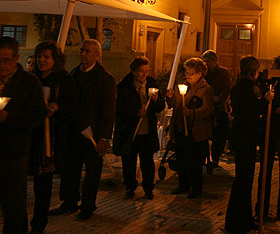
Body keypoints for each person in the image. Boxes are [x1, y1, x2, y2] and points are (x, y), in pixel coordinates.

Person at [51, 39, 116, 221]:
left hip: (93, 134)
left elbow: (108, 110)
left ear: (97, 55)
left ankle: (88, 205)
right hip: (74, 132)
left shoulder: (105, 79)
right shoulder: (74, 73)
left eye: (88, 51)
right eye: (82, 51)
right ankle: (69, 201)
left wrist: (104, 137)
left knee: (92, 173)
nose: (83, 54)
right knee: (70, 169)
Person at [30, 41, 78, 234]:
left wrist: (57, 108)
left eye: (46, 57)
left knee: (43, 186)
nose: (42, 60)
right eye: (39, 56)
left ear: (55, 60)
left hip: (52, 140)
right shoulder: (31, 79)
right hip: (31, 137)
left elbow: (73, 108)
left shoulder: (64, 81)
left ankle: (38, 225)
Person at [0, 37, 47, 234]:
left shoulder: (28, 83)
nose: (1, 65)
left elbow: (37, 114)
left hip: (15, 153)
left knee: (14, 205)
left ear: (17, 58)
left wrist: (8, 117)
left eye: (6, 60)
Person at [225, 56, 273, 234]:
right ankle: (236, 222)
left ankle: (242, 219)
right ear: (254, 72)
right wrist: (265, 101)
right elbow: (249, 112)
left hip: (244, 138)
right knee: (243, 180)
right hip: (245, 139)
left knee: (245, 180)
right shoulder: (244, 89)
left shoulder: (242, 87)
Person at [113, 56, 165, 199]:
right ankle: (130, 186)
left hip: (147, 132)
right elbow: (119, 109)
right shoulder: (124, 86)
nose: (145, 74)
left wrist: (156, 101)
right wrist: (136, 113)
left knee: (147, 162)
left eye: (147, 71)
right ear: (134, 71)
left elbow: (160, 106)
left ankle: (148, 188)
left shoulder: (152, 85)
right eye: (142, 71)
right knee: (129, 162)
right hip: (130, 131)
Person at [166, 57, 214, 198]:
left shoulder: (206, 90)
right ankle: (183, 184)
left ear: (200, 74)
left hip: (196, 131)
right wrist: (170, 97)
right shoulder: (183, 86)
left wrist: (192, 113)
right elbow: (174, 104)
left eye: (191, 73)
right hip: (181, 129)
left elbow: (208, 109)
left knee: (195, 162)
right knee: (182, 159)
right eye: (186, 73)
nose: (188, 76)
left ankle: (196, 188)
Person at [255, 55, 280, 222]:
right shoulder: (268, 83)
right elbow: (263, 106)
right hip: (269, 129)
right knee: (266, 170)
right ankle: (262, 210)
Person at [202, 50, 231, 168]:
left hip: (219, 108)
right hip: (206, 107)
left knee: (219, 135)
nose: (206, 63)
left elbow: (226, 88)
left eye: (207, 61)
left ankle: (215, 158)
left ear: (214, 61)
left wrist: (219, 98)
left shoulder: (223, 73)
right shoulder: (204, 73)